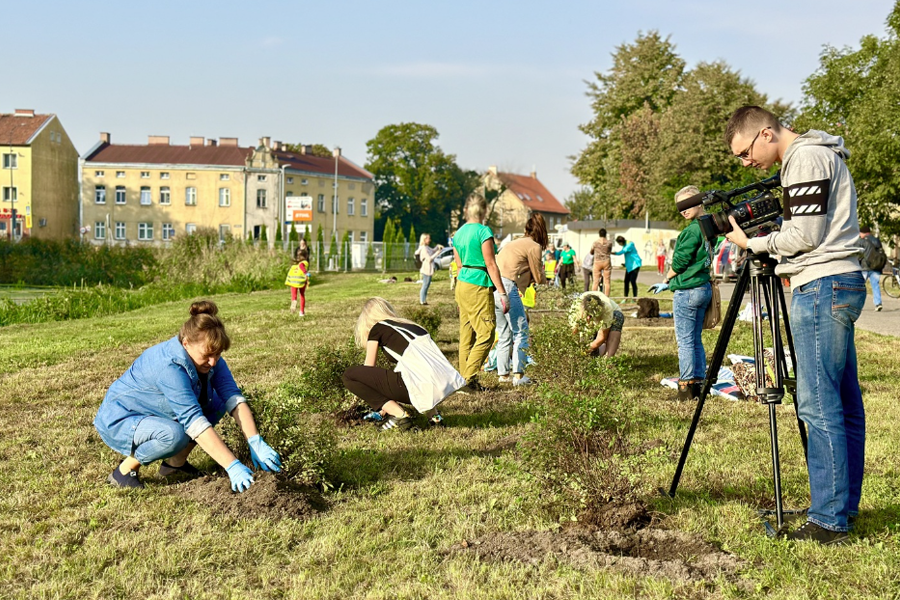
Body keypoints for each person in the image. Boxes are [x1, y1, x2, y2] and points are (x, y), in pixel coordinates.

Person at [724, 105, 866, 544]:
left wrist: (753, 242)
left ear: (766, 133)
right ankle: (841, 506)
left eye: (746, 153)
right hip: (838, 280)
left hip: (822, 284)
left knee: (817, 403)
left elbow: (804, 235)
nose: (747, 163)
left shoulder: (804, 157)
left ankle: (827, 520)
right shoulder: (821, 154)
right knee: (842, 402)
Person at [94, 301, 281, 491]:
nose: (213, 362)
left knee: (217, 401)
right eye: (208, 355)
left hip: (155, 410)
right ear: (186, 343)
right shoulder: (169, 367)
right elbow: (193, 421)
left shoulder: (210, 358)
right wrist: (232, 465)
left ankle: (174, 465)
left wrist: (255, 440)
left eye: (218, 354)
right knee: (174, 436)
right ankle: (124, 471)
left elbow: (233, 397)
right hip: (124, 416)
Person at [343, 298, 463, 431]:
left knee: (350, 376)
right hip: (446, 382)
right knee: (418, 374)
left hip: (426, 385)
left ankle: (400, 415)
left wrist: (368, 401)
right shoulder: (413, 326)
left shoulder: (377, 329)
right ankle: (435, 418)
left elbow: (368, 370)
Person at [650, 186, 712, 402]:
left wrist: (666, 280)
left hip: (687, 290)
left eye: (687, 204)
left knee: (685, 341)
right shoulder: (708, 225)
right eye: (679, 207)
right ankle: (700, 383)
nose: (682, 211)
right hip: (703, 287)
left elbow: (680, 262)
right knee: (695, 339)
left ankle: (685, 387)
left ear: (698, 201)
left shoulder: (691, 230)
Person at [453, 193, 508, 392]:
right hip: (478, 283)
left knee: (466, 334)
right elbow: (491, 264)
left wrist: (460, 296)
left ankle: (466, 381)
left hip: (462, 282)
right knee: (486, 333)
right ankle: (466, 380)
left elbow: (458, 264)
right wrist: (502, 293)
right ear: (484, 211)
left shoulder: (458, 234)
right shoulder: (483, 231)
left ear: (467, 211)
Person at [493, 213, 548, 386]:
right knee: (521, 331)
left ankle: (503, 375)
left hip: (494, 289)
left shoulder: (512, 243)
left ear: (526, 229)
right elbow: (539, 278)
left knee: (503, 334)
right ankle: (518, 376)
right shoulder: (534, 246)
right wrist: (543, 277)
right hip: (509, 288)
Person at [568, 291, 624, 357]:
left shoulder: (607, 309)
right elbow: (573, 332)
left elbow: (602, 337)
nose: (588, 318)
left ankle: (608, 361)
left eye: (592, 316)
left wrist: (584, 351)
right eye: (588, 315)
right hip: (588, 321)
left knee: (617, 318)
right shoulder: (575, 311)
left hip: (613, 313)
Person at [859, 226, 886, 312]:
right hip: (876, 267)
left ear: (863, 233)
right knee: (875, 286)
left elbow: (860, 255)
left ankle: (857, 304)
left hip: (865, 267)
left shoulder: (862, 241)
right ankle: (878, 303)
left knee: (859, 286)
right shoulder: (876, 240)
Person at [415, 233, 443, 305]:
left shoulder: (427, 247)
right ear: (424, 239)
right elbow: (429, 259)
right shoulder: (423, 248)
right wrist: (437, 252)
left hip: (429, 268)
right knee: (425, 284)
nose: (429, 240)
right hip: (426, 268)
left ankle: (424, 300)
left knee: (427, 285)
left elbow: (432, 250)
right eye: (428, 238)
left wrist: (437, 247)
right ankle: (422, 300)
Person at [285, 247, 310, 316]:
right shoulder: (305, 262)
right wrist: (306, 273)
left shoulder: (295, 264)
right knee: (302, 295)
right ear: (306, 256)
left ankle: (294, 301)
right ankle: (301, 312)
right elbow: (302, 266)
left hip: (293, 281)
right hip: (301, 280)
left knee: (294, 295)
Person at [591, 229, 613, 295]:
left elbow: (591, 251)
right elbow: (609, 252)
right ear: (606, 234)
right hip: (606, 261)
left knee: (595, 281)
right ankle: (607, 298)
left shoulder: (595, 243)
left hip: (597, 262)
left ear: (599, 234)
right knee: (607, 282)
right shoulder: (609, 243)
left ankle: (594, 297)